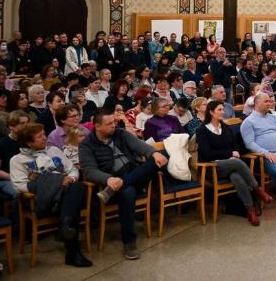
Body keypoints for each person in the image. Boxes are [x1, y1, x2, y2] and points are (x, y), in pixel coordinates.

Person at [80, 110, 167, 260]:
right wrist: (108, 179)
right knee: (127, 192)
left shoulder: (121, 134)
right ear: (97, 126)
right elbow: (89, 171)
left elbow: (140, 146)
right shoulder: (87, 145)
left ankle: (122, 184)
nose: (114, 125)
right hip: (113, 180)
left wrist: (153, 153)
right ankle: (129, 242)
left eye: (114, 122)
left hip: (134, 174)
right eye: (109, 124)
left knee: (159, 159)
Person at [10, 123, 92, 267]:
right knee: (74, 192)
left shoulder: (53, 150)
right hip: (41, 202)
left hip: (65, 197)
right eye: (39, 136)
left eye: (44, 134)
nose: (45, 138)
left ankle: (67, 234)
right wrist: (56, 182)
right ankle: (69, 239)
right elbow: (20, 185)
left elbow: (72, 169)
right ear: (29, 142)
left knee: (75, 187)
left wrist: (71, 178)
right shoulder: (18, 160)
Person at [197, 100, 272, 226]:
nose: (223, 112)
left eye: (223, 109)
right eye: (219, 110)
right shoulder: (202, 130)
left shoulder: (225, 127)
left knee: (237, 177)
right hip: (212, 167)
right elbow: (207, 154)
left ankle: (250, 211)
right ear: (211, 112)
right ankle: (258, 190)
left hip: (230, 165)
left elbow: (235, 147)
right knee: (237, 163)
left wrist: (234, 152)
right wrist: (230, 154)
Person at [0, 111, 29, 201]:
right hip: (7, 180)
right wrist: (15, 177)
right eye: (22, 123)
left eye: (27, 122)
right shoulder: (1, 144)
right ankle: (18, 215)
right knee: (20, 193)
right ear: (11, 126)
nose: (26, 125)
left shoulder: (28, 142)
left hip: (27, 178)